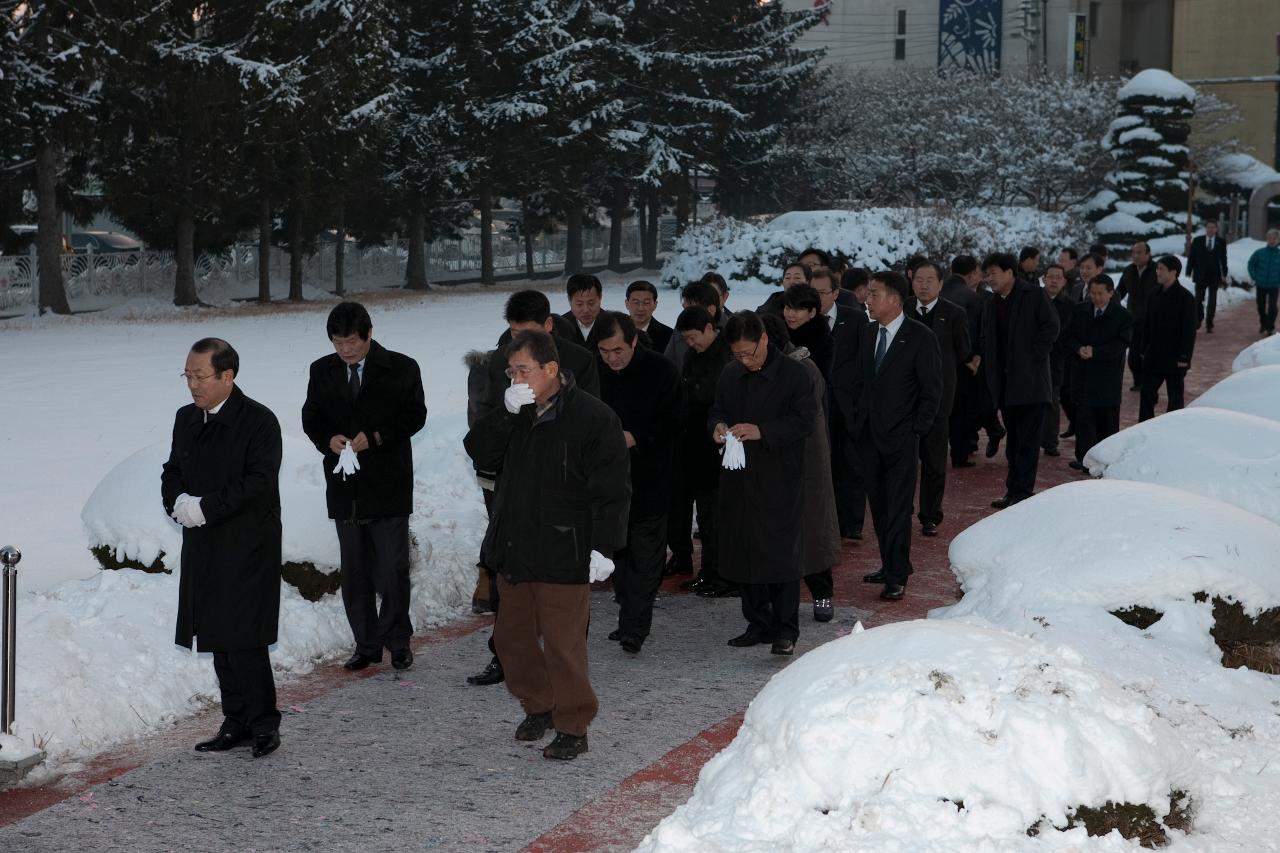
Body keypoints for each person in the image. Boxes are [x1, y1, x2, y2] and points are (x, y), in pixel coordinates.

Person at [463, 330, 630, 761]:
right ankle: (538, 705)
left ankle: (573, 725)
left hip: (566, 548)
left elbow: (613, 489)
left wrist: (603, 546)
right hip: (515, 545)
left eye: (523, 370)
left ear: (551, 369)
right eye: (510, 371)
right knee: (511, 640)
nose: (514, 378)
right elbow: (480, 453)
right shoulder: (513, 411)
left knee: (562, 644)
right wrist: (501, 414)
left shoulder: (593, 418)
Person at [467, 290, 601, 687]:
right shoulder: (498, 363)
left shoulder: (580, 361)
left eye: (526, 332)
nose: (516, 343)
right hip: (514, 483)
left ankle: (569, 661)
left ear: (548, 326)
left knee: (564, 584)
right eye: (511, 332)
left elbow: (594, 425)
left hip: (564, 489)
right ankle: (505, 655)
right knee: (508, 574)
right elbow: (481, 428)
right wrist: (506, 413)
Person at [163, 338, 283, 758]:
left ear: (227, 376)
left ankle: (264, 722)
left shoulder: (259, 422)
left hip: (248, 546)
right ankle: (235, 721)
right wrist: (177, 501)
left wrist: (206, 508)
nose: (192, 385)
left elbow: (258, 483)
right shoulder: (186, 418)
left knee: (245, 639)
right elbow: (172, 469)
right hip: (205, 547)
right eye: (188, 375)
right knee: (216, 635)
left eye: (200, 376)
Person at [302, 302, 427, 673]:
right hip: (345, 486)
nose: (346, 350)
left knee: (392, 568)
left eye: (352, 342)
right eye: (338, 343)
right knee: (354, 572)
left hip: (388, 482)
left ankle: (398, 641)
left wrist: (374, 438)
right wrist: (329, 439)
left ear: (368, 333)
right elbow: (311, 416)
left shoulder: (402, 367)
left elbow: (415, 415)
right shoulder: (321, 371)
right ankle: (366, 643)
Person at [711, 312, 818, 654]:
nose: (745, 361)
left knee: (780, 556)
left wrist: (763, 431)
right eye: (738, 355)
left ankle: (786, 629)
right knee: (743, 550)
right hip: (738, 478)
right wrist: (716, 427)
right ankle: (757, 622)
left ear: (765, 340)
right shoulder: (731, 374)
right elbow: (716, 410)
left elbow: (804, 422)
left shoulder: (794, 375)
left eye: (750, 353)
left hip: (779, 477)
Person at [832, 271, 941, 602]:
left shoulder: (920, 336)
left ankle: (897, 574)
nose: (867, 298)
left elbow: (932, 390)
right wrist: (855, 420)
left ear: (895, 299)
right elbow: (856, 379)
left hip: (902, 439)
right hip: (867, 436)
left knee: (896, 508)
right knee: (878, 506)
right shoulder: (867, 333)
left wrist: (915, 429)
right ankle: (890, 562)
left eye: (875, 293)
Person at [596, 312, 679, 654]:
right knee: (618, 554)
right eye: (604, 351)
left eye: (618, 350)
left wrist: (637, 436)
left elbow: (675, 423)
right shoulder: (593, 372)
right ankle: (628, 614)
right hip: (607, 483)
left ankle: (634, 626)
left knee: (646, 556)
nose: (612, 358)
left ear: (632, 341)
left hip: (650, 478)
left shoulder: (661, 371)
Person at [761, 313, 840, 624]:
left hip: (804, 461)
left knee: (811, 532)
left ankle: (822, 592)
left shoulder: (803, 369)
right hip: (770, 461)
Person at [978, 253, 1059, 509]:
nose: (989, 278)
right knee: (1013, 443)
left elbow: (1051, 326)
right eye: (987, 274)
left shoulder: (1033, 295)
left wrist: (1033, 356)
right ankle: (1012, 491)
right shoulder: (991, 302)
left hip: (1031, 383)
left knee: (1027, 442)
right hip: (1005, 385)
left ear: (1010, 272)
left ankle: (1022, 492)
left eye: (994, 273)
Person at [670, 306, 733, 595]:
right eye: (686, 339)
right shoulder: (693, 355)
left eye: (693, 337)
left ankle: (720, 573)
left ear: (710, 328)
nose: (690, 343)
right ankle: (707, 570)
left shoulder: (727, 355)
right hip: (691, 446)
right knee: (704, 517)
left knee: (716, 516)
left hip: (717, 448)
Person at [905, 261, 970, 538]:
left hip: (939, 398)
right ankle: (901, 510)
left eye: (930, 279)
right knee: (904, 461)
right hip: (904, 399)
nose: (924, 284)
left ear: (941, 284)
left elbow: (963, 350)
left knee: (933, 460)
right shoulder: (902, 309)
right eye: (919, 279)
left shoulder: (954, 313)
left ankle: (930, 515)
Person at [1062, 275, 1132, 469]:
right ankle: (1084, 459)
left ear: (1111, 292)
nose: (1097, 298)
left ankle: (1106, 461)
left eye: (1101, 293)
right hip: (1083, 374)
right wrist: (1078, 348)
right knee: (1084, 419)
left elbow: (1122, 343)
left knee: (1106, 421)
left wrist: (1096, 352)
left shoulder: (1122, 315)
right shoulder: (1080, 311)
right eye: (1093, 293)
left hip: (1107, 376)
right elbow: (1067, 335)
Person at [1138, 255, 1198, 421]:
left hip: (1175, 358)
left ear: (1174, 272)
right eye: (1157, 268)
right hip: (1153, 356)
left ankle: (1173, 429)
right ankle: (1143, 427)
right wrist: (1143, 349)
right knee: (1147, 394)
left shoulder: (1185, 298)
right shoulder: (1153, 295)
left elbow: (1189, 330)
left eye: (1161, 269)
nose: (1157, 272)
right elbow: (1147, 325)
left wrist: (1184, 357)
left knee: (1175, 398)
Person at [1040, 264, 1075, 457]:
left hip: (1056, 359)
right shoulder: (1034, 299)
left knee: (1052, 400)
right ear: (1043, 279)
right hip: (1034, 357)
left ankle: (1050, 441)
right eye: (1050, 276)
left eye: (1058, 277)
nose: (1054, 281)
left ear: (1064, 281)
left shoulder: (1070, 306)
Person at [1115, 241, 1157, 390]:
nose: (1136, 256)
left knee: (1148, 353)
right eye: (1134, 253)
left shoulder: (1157, 270)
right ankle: (1138, 381)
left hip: (1152, 320)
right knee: (1133, 356)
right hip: (1133, 319)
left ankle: (1149, 382)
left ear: (1148, 254)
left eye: (1139, 253)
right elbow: (1119, 292)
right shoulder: (1129, 271)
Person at [664, 279, 726, 369]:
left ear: (711, 310)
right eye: (684, 309)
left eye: (692, 310)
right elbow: (667, 365)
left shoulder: (732, 334)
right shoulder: (680, 330)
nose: (686, 314)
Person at [782, 283, 834, 382]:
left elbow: (818, 380)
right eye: (787, 308)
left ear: (812, 312)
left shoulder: (823, 341)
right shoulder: (778, 333)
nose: (790, 314)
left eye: (797, 310)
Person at [1186, 220, 1229, 332]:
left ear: (1216, 229)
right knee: (1198, 299)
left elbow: (1223, 259)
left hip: (1214, 275)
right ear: (1206, 228)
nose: (1210, 229)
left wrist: (1224, 273)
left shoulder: (1221, 242)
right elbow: (1192, 257)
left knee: (1212, 300)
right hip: (1200, 274)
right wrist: (1188, 270)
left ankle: (1210, 323)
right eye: (1209, 227)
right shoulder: (1197, 241)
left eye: (1213, 227)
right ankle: (1198, 319)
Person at [625, 280, 674, 353]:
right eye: (636, 302)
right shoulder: (616, 332)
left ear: (655, 305)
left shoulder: (669, 336)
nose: (640, 308)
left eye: (646, 303)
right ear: (627, 304)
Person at [1247, 228, 1280, 336]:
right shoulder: (1260, 253)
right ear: (1267, 239)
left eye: (1274, 238)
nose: (1272, 240)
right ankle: (1263, 322)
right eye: (1270, 238)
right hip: (1261, 284)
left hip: (1274, 285)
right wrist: (1254, 276)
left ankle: (1270, 328)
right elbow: (1251, 264)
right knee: (1260, 306)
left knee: (1272, 307)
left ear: (1278, 240)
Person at [563, 273, 604, 351]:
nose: (586, 310)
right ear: (569, 300)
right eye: (579, 304)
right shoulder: (560, 327)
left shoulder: (612, 324)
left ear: (600, 297)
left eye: (591, 303)